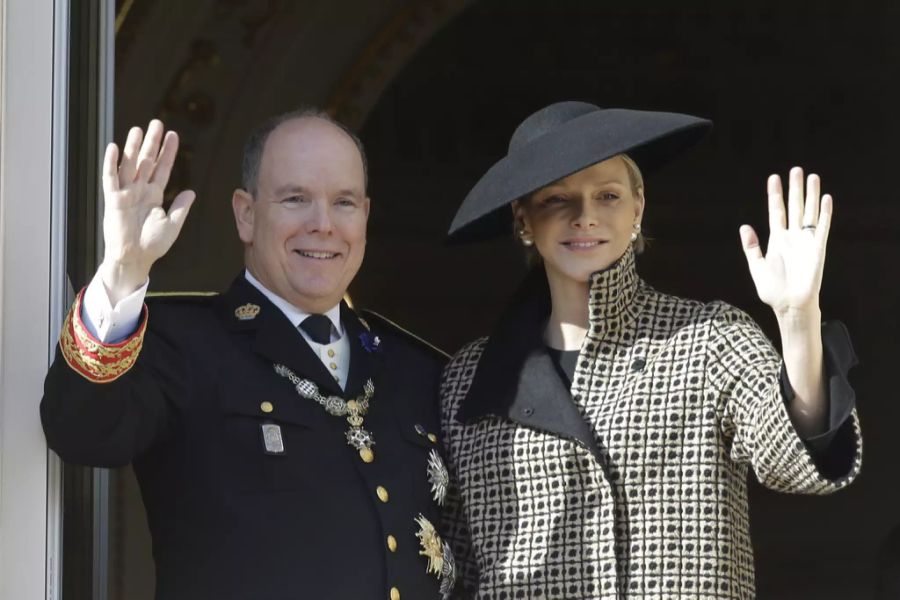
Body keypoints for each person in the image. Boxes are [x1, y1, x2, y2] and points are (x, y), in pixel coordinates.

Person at [439, 101, 861, 599]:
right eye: (557, 200)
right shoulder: (467, 380)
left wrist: (798, 321)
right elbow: (448, 566)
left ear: (637, 208)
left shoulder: (711, 338)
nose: (585, 217)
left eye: (608, 196)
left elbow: (790, 457)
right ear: (523, 219)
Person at [41, 109, 456, 599]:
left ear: (365, 216)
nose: (322, 224)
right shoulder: (185, 345)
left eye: (343, 202)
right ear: (246, 214)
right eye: (295, 199)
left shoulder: (416, 369)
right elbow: (82, 431)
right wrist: (121, 273)